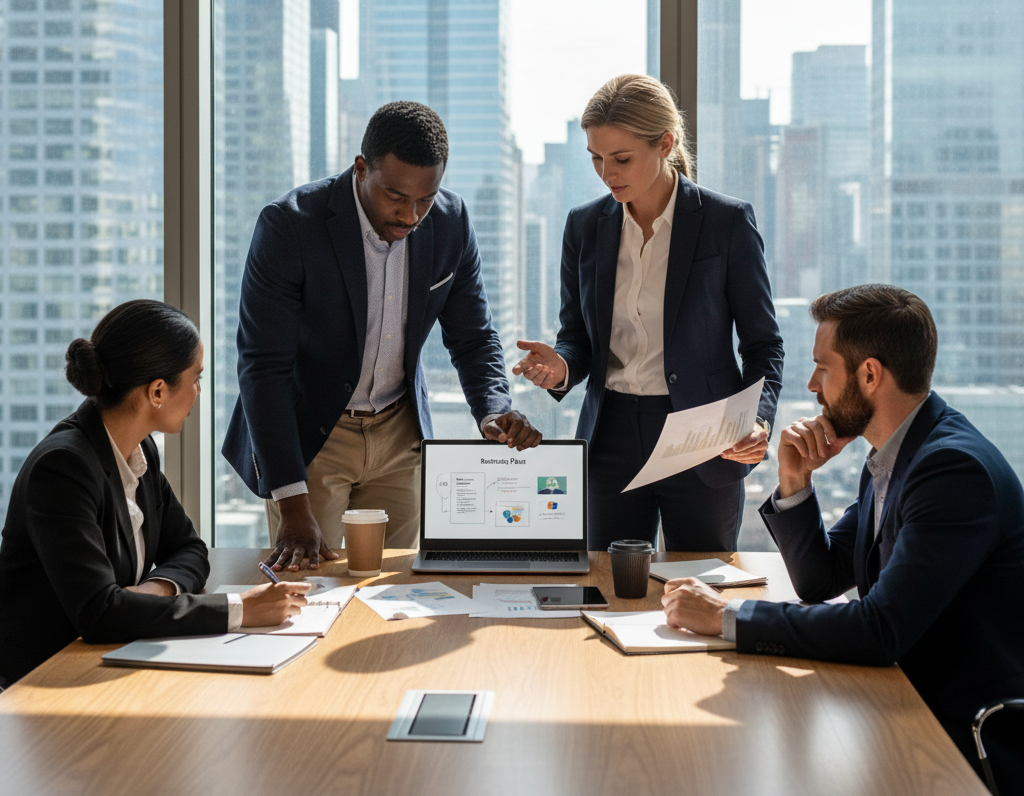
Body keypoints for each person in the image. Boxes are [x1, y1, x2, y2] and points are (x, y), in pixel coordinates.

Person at [661, 284, 1024, 790]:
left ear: (869, 374)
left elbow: (880, 631)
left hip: (958, 737)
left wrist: (725, 617)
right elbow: (821, 580)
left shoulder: (950, 470)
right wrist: (794, 482)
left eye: (823, 367)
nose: (812, 384)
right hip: (899, 700)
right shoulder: (897, 455)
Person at [223, 101, 542, 570]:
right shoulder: (290, 225)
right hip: (315, 434)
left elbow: (474, 337)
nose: (411, 215)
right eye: (395, 196)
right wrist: (292, 503)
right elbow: (262, 368)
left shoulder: (451, 223)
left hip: (399, 433)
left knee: (399, 585)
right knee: (313, 585)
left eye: (425, 199)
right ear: (360, 169)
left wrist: (494, 408)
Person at [514, 74, 784, 550]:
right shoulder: (584, 226)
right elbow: (576, 336)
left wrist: (757, 421)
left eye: (621, 159)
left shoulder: (726, 223)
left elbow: (764, 345)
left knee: (699, 590)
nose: (606, 173)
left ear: (665, 143)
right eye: (596, 159)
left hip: (705, 438)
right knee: (608, 590)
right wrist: (560, 367)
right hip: (610, 438)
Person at [0, 300, 308, 689]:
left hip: (108, 664)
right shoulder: (63, 468)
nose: (199, 391)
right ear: (157, 391)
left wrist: (153, 591)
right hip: (45, 683)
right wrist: (239, 609)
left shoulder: (139, 450)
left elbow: (191, 549)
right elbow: (100, 613)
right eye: (195, 377)